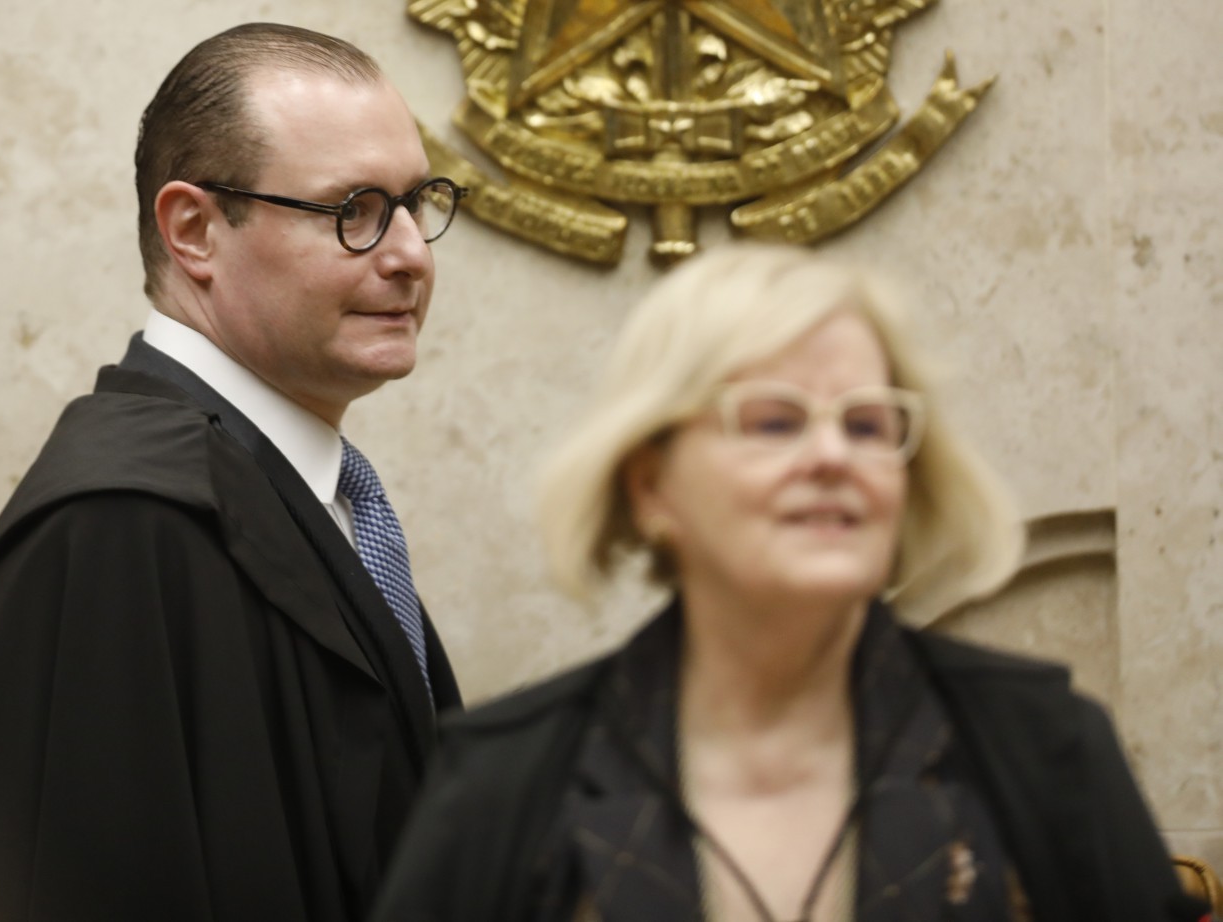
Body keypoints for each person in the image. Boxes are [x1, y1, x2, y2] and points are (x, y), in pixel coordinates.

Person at [371, 243, 1193, 922]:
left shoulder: (1045, 748)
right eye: (773, 420)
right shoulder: (506, 781)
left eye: (868, 424)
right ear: (651, 486)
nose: (834, 456)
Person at [0, 22, 466, 921]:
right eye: (353, 210)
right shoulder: (125, 526)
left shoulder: (286, 489)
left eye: (415, 201)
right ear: (194, 229)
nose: (410, 254)